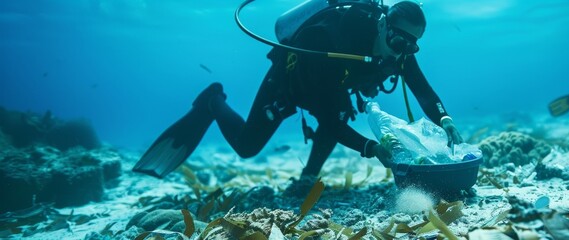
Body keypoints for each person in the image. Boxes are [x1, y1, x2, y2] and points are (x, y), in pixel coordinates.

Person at [133, 1, 464, 195]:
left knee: (340, 109)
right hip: (290, 83)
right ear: (382, 24)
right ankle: (213, 100)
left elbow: (423, 89)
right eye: (398, 40)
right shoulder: (331, 38)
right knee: (247, 147)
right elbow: (327, 117)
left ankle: (308, 176)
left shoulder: (399, 50)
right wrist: (371, 148)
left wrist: (445, 120)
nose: (403, 51)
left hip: (330, 93)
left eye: (411, 45)